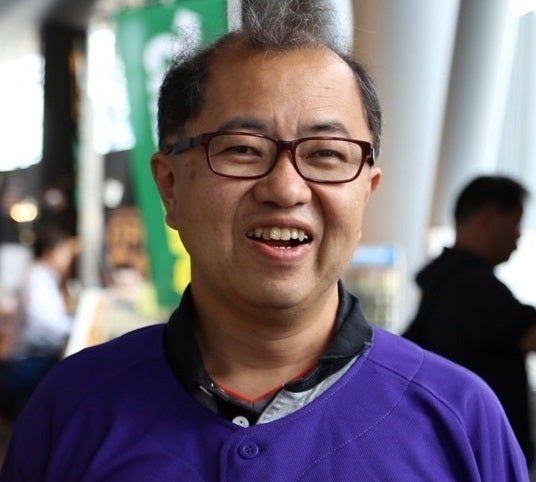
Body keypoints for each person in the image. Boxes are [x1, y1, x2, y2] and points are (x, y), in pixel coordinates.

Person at [0, 2, 529, 480]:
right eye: (242, 149)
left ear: (365, 192)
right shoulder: (70, 410)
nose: (286, 189)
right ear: (170, 187)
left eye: (326, 154)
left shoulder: (460, 420)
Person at [404, 174, 536, 468]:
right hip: (483, 454)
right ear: (489, 219)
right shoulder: (473, 286)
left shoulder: (440, 280)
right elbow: (529, 334)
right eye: (516, 223)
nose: (518, 236)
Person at [0, 224, 77, 421]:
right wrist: (74, 328)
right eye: (64, 252)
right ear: (49, 252)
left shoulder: (45, 277)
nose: (68, 257)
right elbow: (42, 322)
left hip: (32, 360)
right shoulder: (36, 277)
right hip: (28, 363)